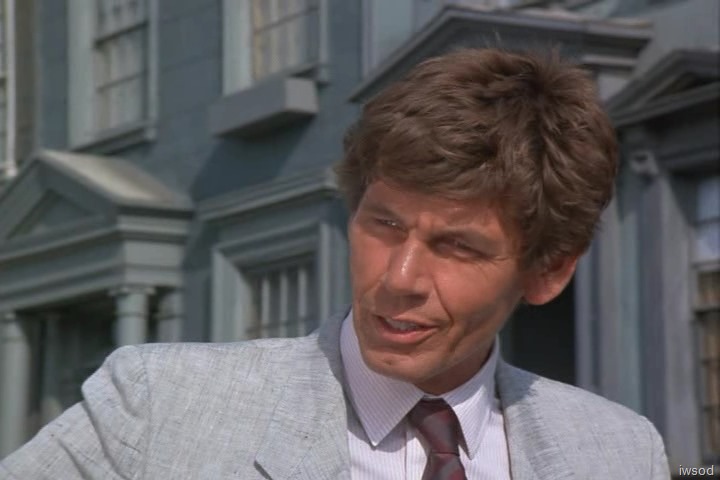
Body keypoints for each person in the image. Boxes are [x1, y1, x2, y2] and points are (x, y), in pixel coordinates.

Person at [0, 48, 670, 479]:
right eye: (384, 225)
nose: (398, 279)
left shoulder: (620, 451)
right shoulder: (157, 408)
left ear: (548, 271)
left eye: (457, 247)